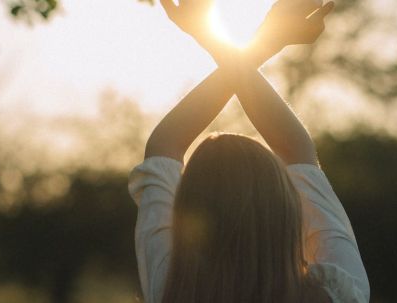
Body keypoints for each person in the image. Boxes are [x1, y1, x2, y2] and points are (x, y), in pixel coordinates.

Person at [128, 0, 370, 302]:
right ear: (287, 211)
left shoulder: (171, 289)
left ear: (188, 208)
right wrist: (259, 38)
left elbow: (165, 144)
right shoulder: (337, 296)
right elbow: (295, 149)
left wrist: (255, 40)